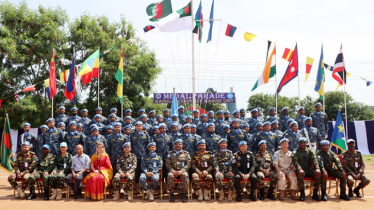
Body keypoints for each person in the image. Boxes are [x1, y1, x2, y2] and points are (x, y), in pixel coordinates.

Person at [129, 121, 150, 186]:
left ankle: (143, 186)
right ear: (135, 127)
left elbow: (148, 145)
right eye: (137, 126)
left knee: (143, 171)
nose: (138, 127)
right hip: (135, 156)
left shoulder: (146, 134)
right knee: (136, 171)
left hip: (144, 156)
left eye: (140, 126)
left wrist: (147, 154)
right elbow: (130, 145)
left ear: (142, 127)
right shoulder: (132, 135)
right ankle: (137, 186)